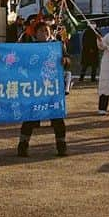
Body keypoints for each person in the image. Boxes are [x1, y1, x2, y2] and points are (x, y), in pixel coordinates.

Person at [16, 22, 68, 157]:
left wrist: (65, 61)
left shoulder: (57, 45)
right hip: (35, 88)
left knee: (57, 118)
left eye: (47, 30)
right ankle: (23, 145)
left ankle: (61, 146)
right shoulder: (30, 48)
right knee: (30, 117)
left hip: (52, 88)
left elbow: (68, 60)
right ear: (35, 33)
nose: (44, 33)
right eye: (41, 31)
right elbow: (22, 64)